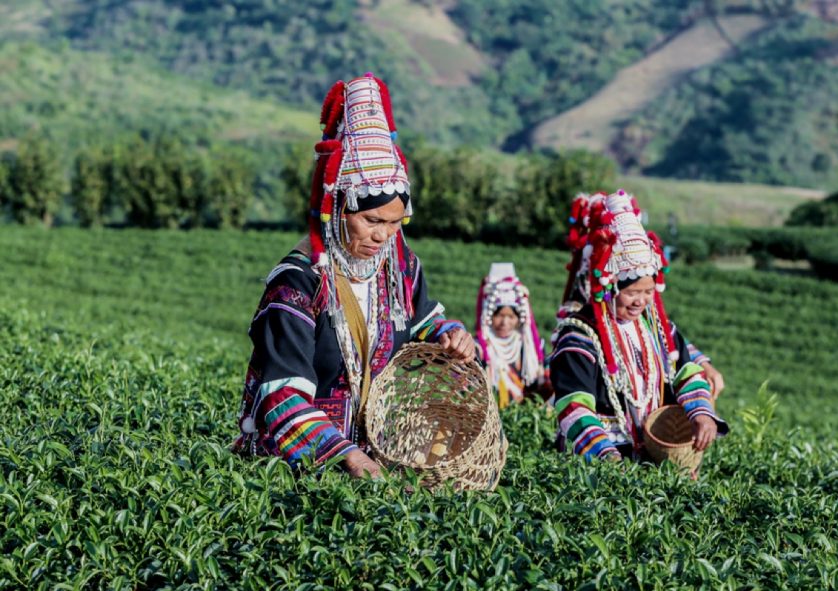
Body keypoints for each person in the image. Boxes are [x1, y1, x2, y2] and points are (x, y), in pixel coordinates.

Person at [233, 73, 474, 479]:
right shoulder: (297, 283)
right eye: (372, 220)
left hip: (375, 456)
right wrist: (344, 455)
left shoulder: (400, 269)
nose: (383, 235)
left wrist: (451, 334)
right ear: (337, 208)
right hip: (298, 465)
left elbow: (425, 320)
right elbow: (283, 394)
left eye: (396, 223)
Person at [549, 190, 728, 464]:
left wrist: (701, 413)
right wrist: (605, 455)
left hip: (657, 453)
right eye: (632, 292)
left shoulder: (656, 326)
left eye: (648, 292)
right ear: (609, 287)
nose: (641, 302)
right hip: (599, 461)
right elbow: (573, 406)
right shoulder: (579, 336)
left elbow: (687, 371)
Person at [475, 263, 546, 408]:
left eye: (511, 317)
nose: (504, 322)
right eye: (499, 315)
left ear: (519, 319)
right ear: (489, 316)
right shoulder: (480, 347)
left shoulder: (526, 347)